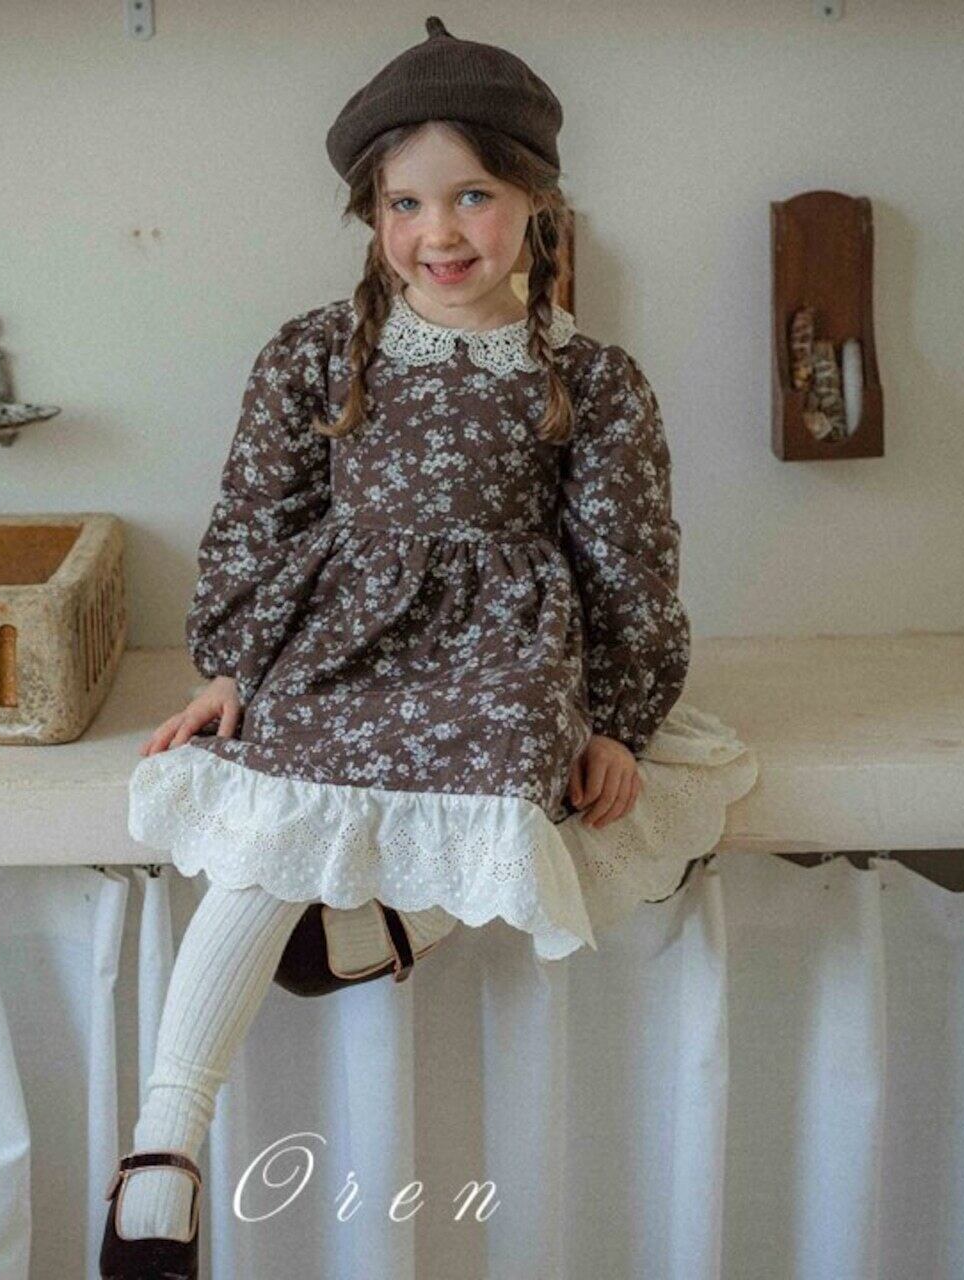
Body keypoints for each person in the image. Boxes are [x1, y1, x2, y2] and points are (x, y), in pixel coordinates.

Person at [101, 16, 758, 1277]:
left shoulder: (589, 377)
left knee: (529, 769)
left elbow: (627, 556)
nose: (439, 232)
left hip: (505, 648)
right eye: (405, 202)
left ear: (535, 200)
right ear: (370, 213)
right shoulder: (317, 354)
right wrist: (234, 663)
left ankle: (373, 934)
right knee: (279, 789)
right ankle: (164, 1144)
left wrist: (617, 717)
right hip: (342, 637)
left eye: (472, 196)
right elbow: (256, 515)